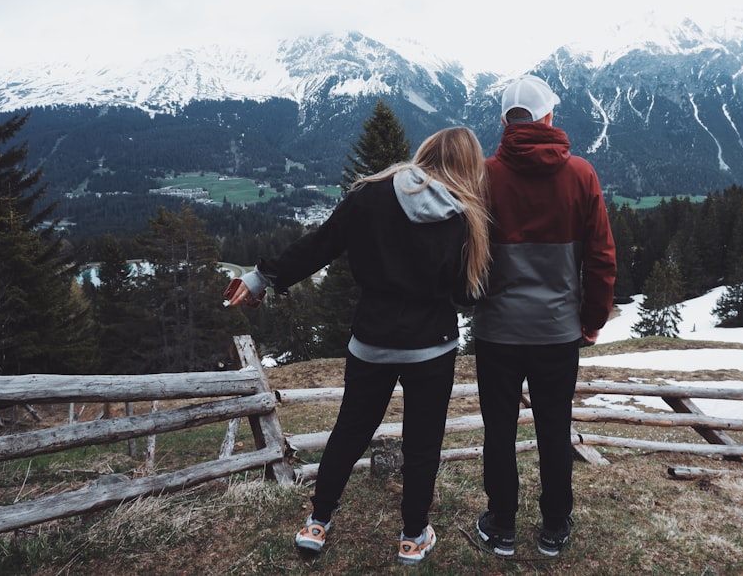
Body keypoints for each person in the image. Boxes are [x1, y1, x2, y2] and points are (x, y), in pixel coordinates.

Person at [224, 126, 491, 566]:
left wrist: (259, 277)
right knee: (422, 442)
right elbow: (466, 296)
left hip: (371, 341)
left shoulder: (370, 194)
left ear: (424, 153)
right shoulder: (464, 216)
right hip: (431, 348)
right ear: (468, 167)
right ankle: (412, 537)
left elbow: (319, 246)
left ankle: (318, 522)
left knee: (350, 431)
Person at [471, 75, 616, 557]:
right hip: (557, 332)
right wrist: (592, 318)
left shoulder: (484, 176)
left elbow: (466, 256)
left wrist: (469, 303)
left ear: (505, 121)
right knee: (554, 426)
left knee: (500, 430)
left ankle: (502, 524)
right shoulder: (581, 175)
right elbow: (600, 257)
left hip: (497, 333)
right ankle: (555, 526)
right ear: (549, 117)